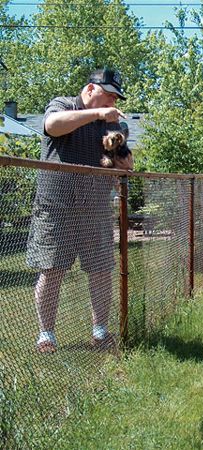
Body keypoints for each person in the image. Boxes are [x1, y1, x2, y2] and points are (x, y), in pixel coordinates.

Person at [27, 68, 133, 353]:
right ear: (89, 89)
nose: (112, 102)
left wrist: (120, 150)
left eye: (115, 97)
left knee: (100, 271)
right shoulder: (63, 105)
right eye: (108, 95)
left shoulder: (112, 124)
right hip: (57, 206)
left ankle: (100, 331)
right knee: (53, 270)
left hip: (95, 207)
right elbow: (53, 126)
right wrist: (97, 115)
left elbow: (127, 163)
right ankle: (46, 335)